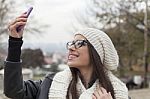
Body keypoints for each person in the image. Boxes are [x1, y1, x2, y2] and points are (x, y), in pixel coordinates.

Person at [4, 12, 128, 99]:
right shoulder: (50, 84)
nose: (71, 47)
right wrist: (15, 42)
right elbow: (13, 91)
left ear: (97, 52)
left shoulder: (117, 92)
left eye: (79, 43)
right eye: (71, 43)